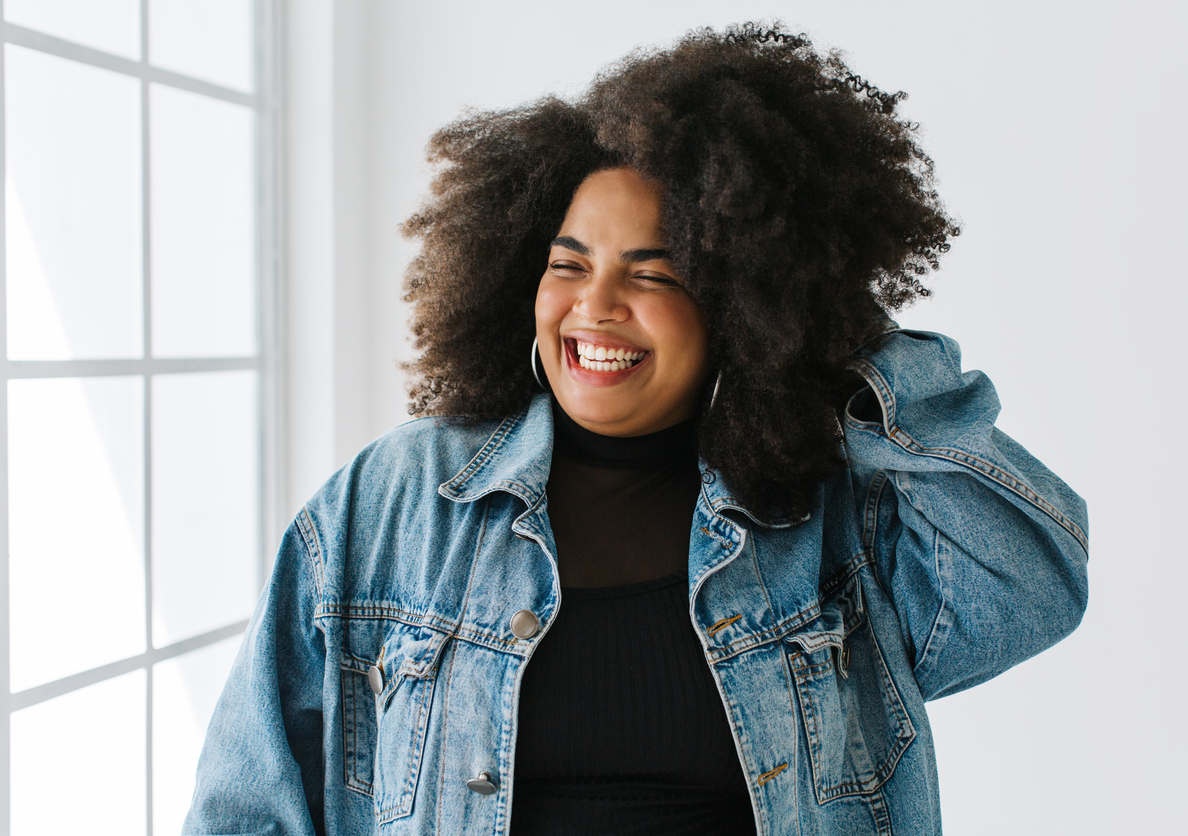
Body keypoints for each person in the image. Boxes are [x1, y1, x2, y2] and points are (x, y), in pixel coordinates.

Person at [184, 22, 1088, 836]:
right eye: (566, 266)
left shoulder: (830, 511)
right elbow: (247, 806)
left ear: (739, 302)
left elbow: (1028, 583)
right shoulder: (395, 501)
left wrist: (842, 349)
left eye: (653, 275)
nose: (596, 307)